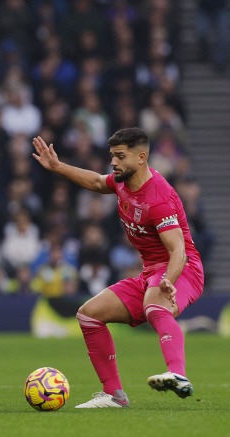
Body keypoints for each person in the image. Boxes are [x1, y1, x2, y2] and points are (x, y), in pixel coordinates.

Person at [31, 128, 204, 408]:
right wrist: (58, 166)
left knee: (154, 305)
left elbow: (178, 251)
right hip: (152, 273)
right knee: (89, 315)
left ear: (141, 157)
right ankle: (114, 396)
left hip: (182, 269)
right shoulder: (123, 182)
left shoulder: (158, 198)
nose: (114, 162)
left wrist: (168, 281)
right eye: (112, 155)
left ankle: (179, 375)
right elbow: (98, 182)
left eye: (120, 156)